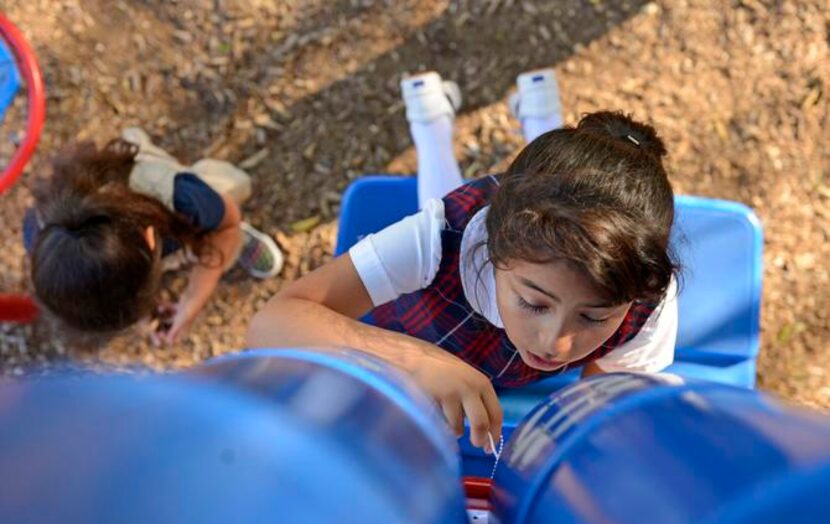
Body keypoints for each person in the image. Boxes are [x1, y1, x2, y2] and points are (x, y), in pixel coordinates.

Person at [247, 68, 679, 453]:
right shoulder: (440, 237)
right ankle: (436, 128)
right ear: (493, 250)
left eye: (593, 317)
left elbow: (600, 395)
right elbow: (274, 322)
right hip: (413, 339)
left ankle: (485, 119)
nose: (556, 343)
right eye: (533, 303)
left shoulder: (645, 288)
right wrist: (416, 362)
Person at [24, 128, 284, 344]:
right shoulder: (43, 237)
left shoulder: (183, 198)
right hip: (121, 187)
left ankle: (235, 241)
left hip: (164, 185)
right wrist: (139, 300)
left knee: (231, 191)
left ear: (151, 239)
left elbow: (228, 220)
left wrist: (193, 298)